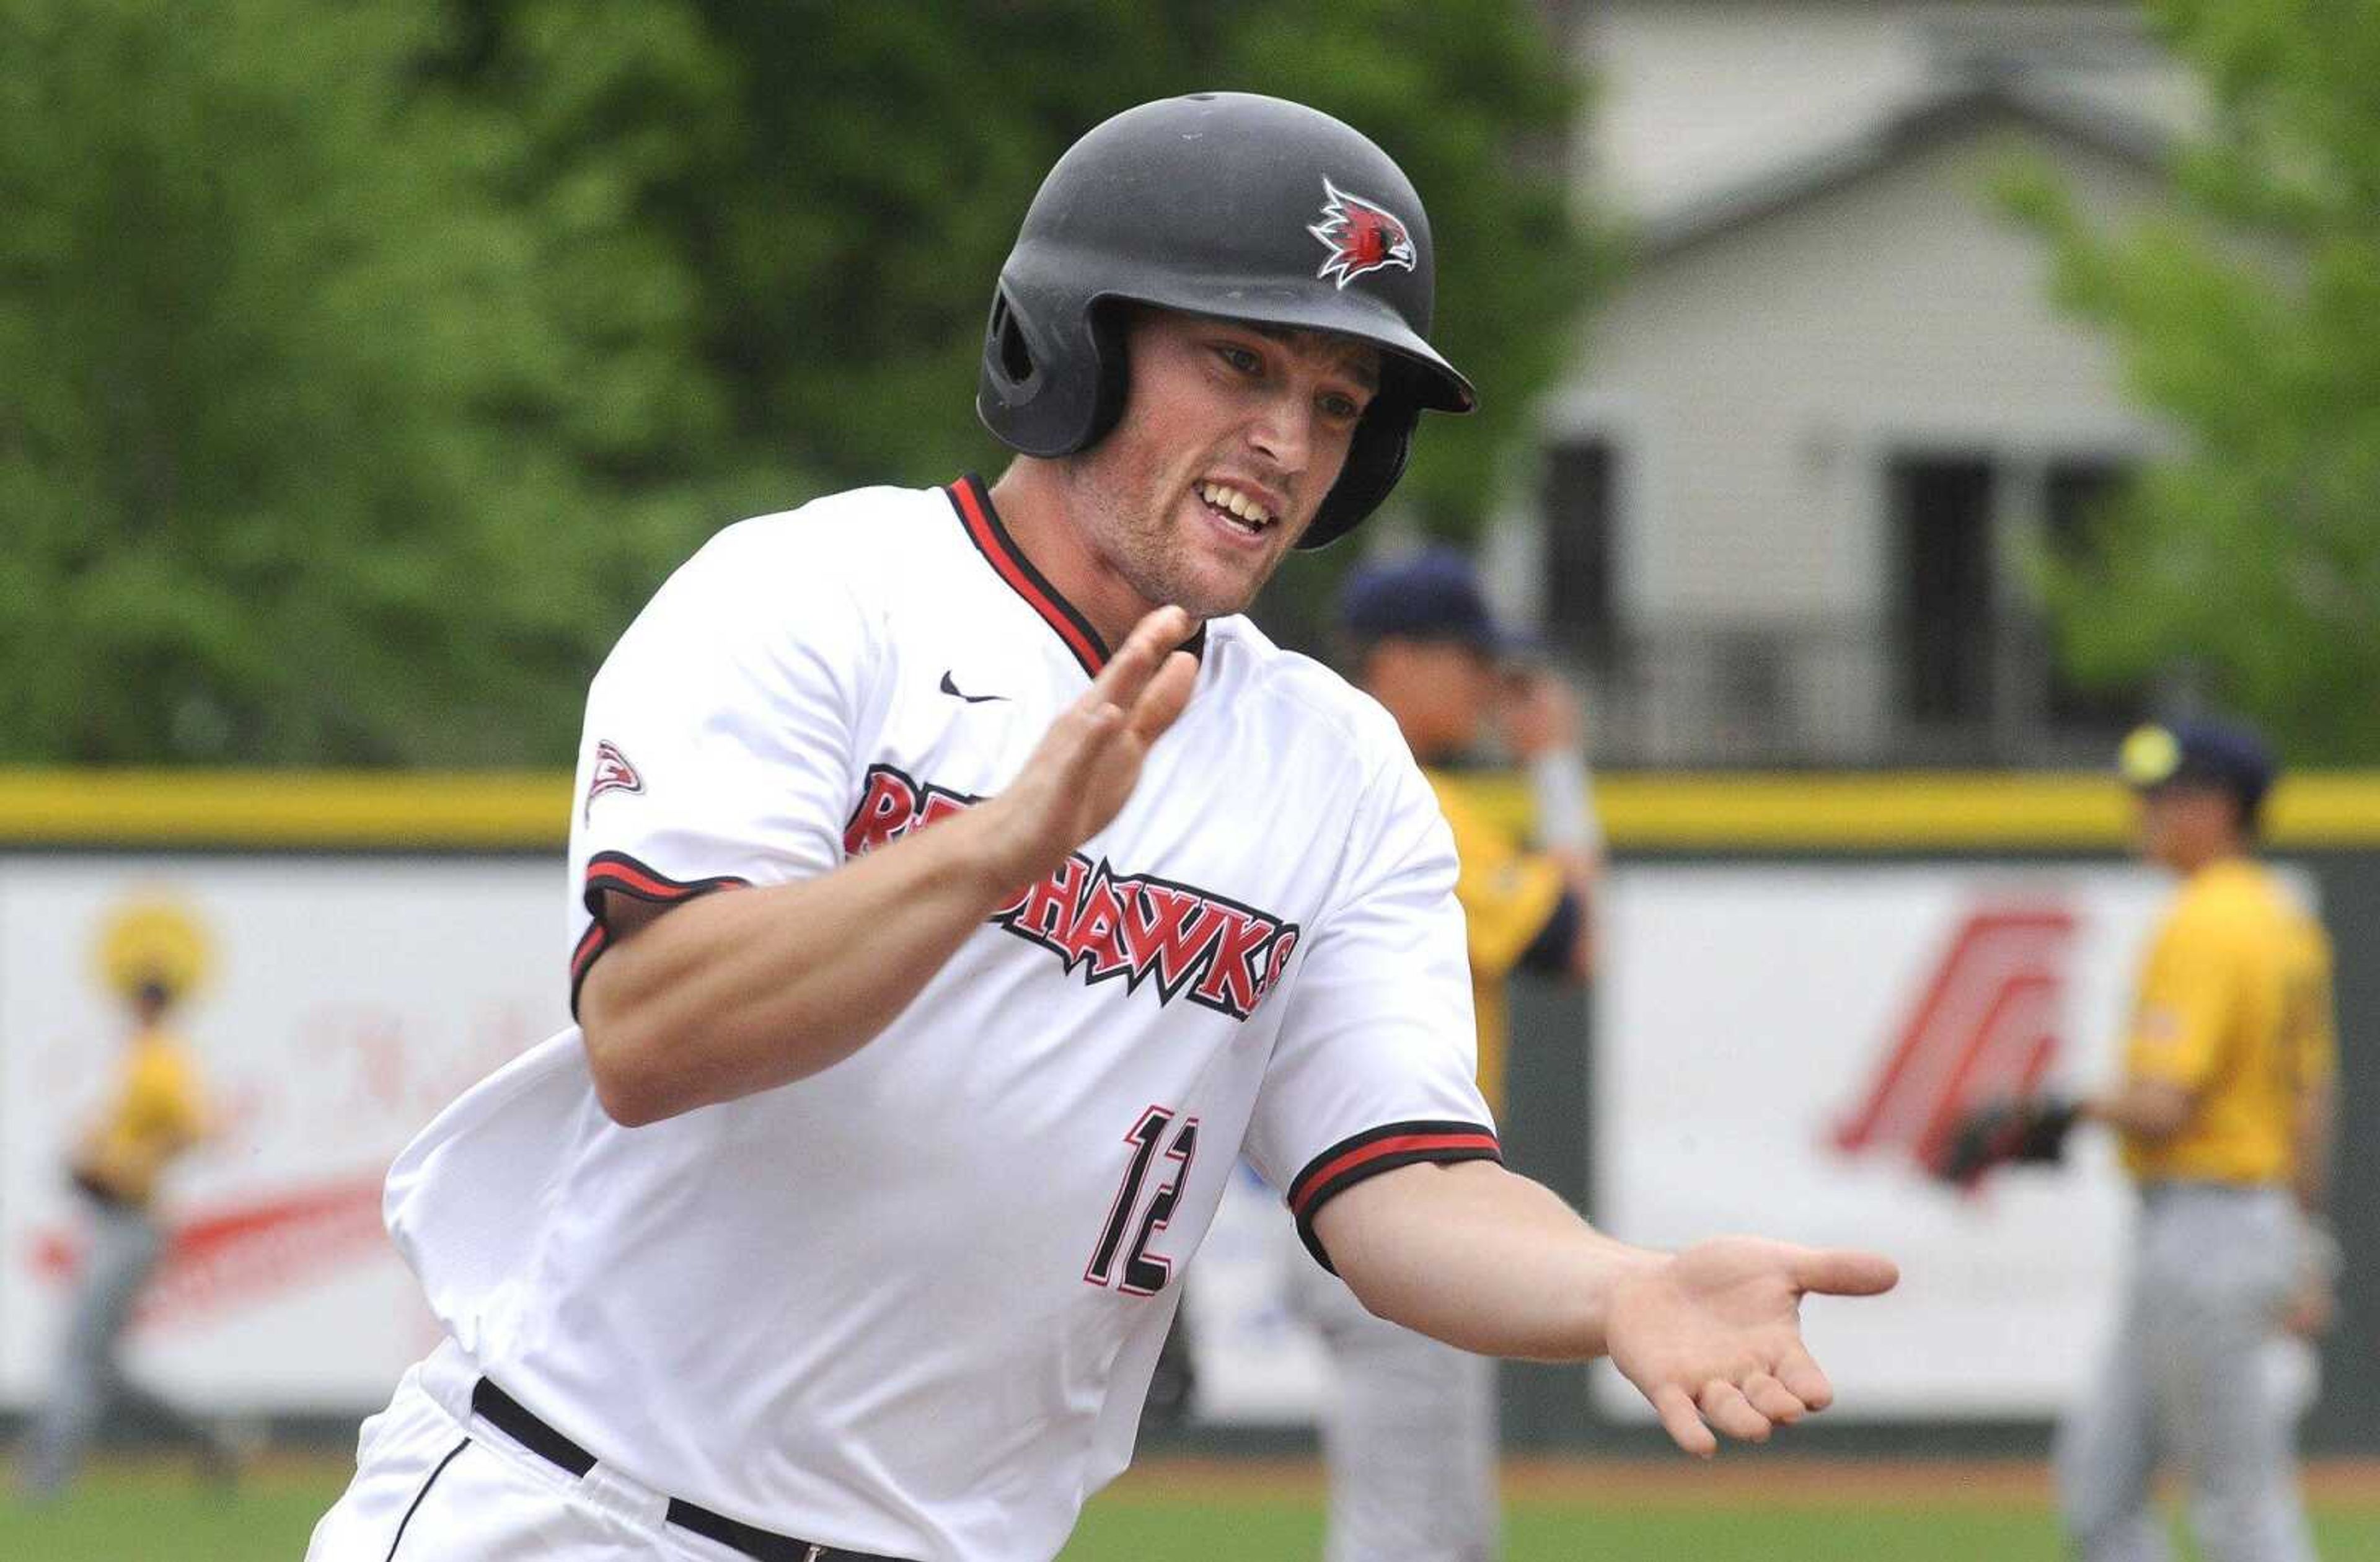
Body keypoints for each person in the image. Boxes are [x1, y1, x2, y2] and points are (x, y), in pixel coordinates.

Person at [309, 92, 1897, 1562]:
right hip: (582, 1510)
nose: (1288, 439)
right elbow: (655, 1032)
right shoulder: (815, 596)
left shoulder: (1334, 768)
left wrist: (1618, 1286)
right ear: (1071, 347)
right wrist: (991, 853)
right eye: (1241, 362)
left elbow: (1398, 1183)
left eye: (1338, 402)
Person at [1932, 718, 2337, 1562]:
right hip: (2227, 1225)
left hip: (2208, 1231)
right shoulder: (2280, 917)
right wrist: (2300, 1238)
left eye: (2167, 795)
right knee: (2102, 1489)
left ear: (2221, 808)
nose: (2144, 809)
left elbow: (2162, 1103)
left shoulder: (2207, 923)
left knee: (2240, 1509)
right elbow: (2313, 1100)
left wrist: (2053, 1112)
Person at [1282, 546, 1595, 1562]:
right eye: (1470, 659)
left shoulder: (1316, 782)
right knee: (1406, 1543)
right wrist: (1554, 763)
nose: (1489, 688)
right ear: (1399, 660)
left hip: (1369, 1193)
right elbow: (1577, 942)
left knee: (1447, 1539)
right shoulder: (1403, 804)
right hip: (1397, 1199)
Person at [19, 975, 231, 1498]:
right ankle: (211, 1439)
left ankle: (46, 1480)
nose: (139, 1008)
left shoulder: (163, 1058)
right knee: (97, 1362)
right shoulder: (142, 1056)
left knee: (78, 1353)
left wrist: (133, 1164)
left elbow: (198, 1127)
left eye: (146, 1000)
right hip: (114, 1220)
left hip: (132, 1220)